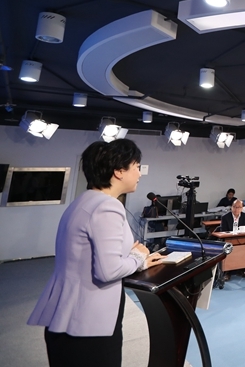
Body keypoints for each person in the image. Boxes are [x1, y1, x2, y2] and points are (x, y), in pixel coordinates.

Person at [28, 139, 165, 367]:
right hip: (88, 324)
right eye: (136, 166)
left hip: (68, 316)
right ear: (119, 171)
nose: (140, 174)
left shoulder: (84, 201)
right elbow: (107, 271)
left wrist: (137, 259)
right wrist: (138, 257)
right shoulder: (107, 206)